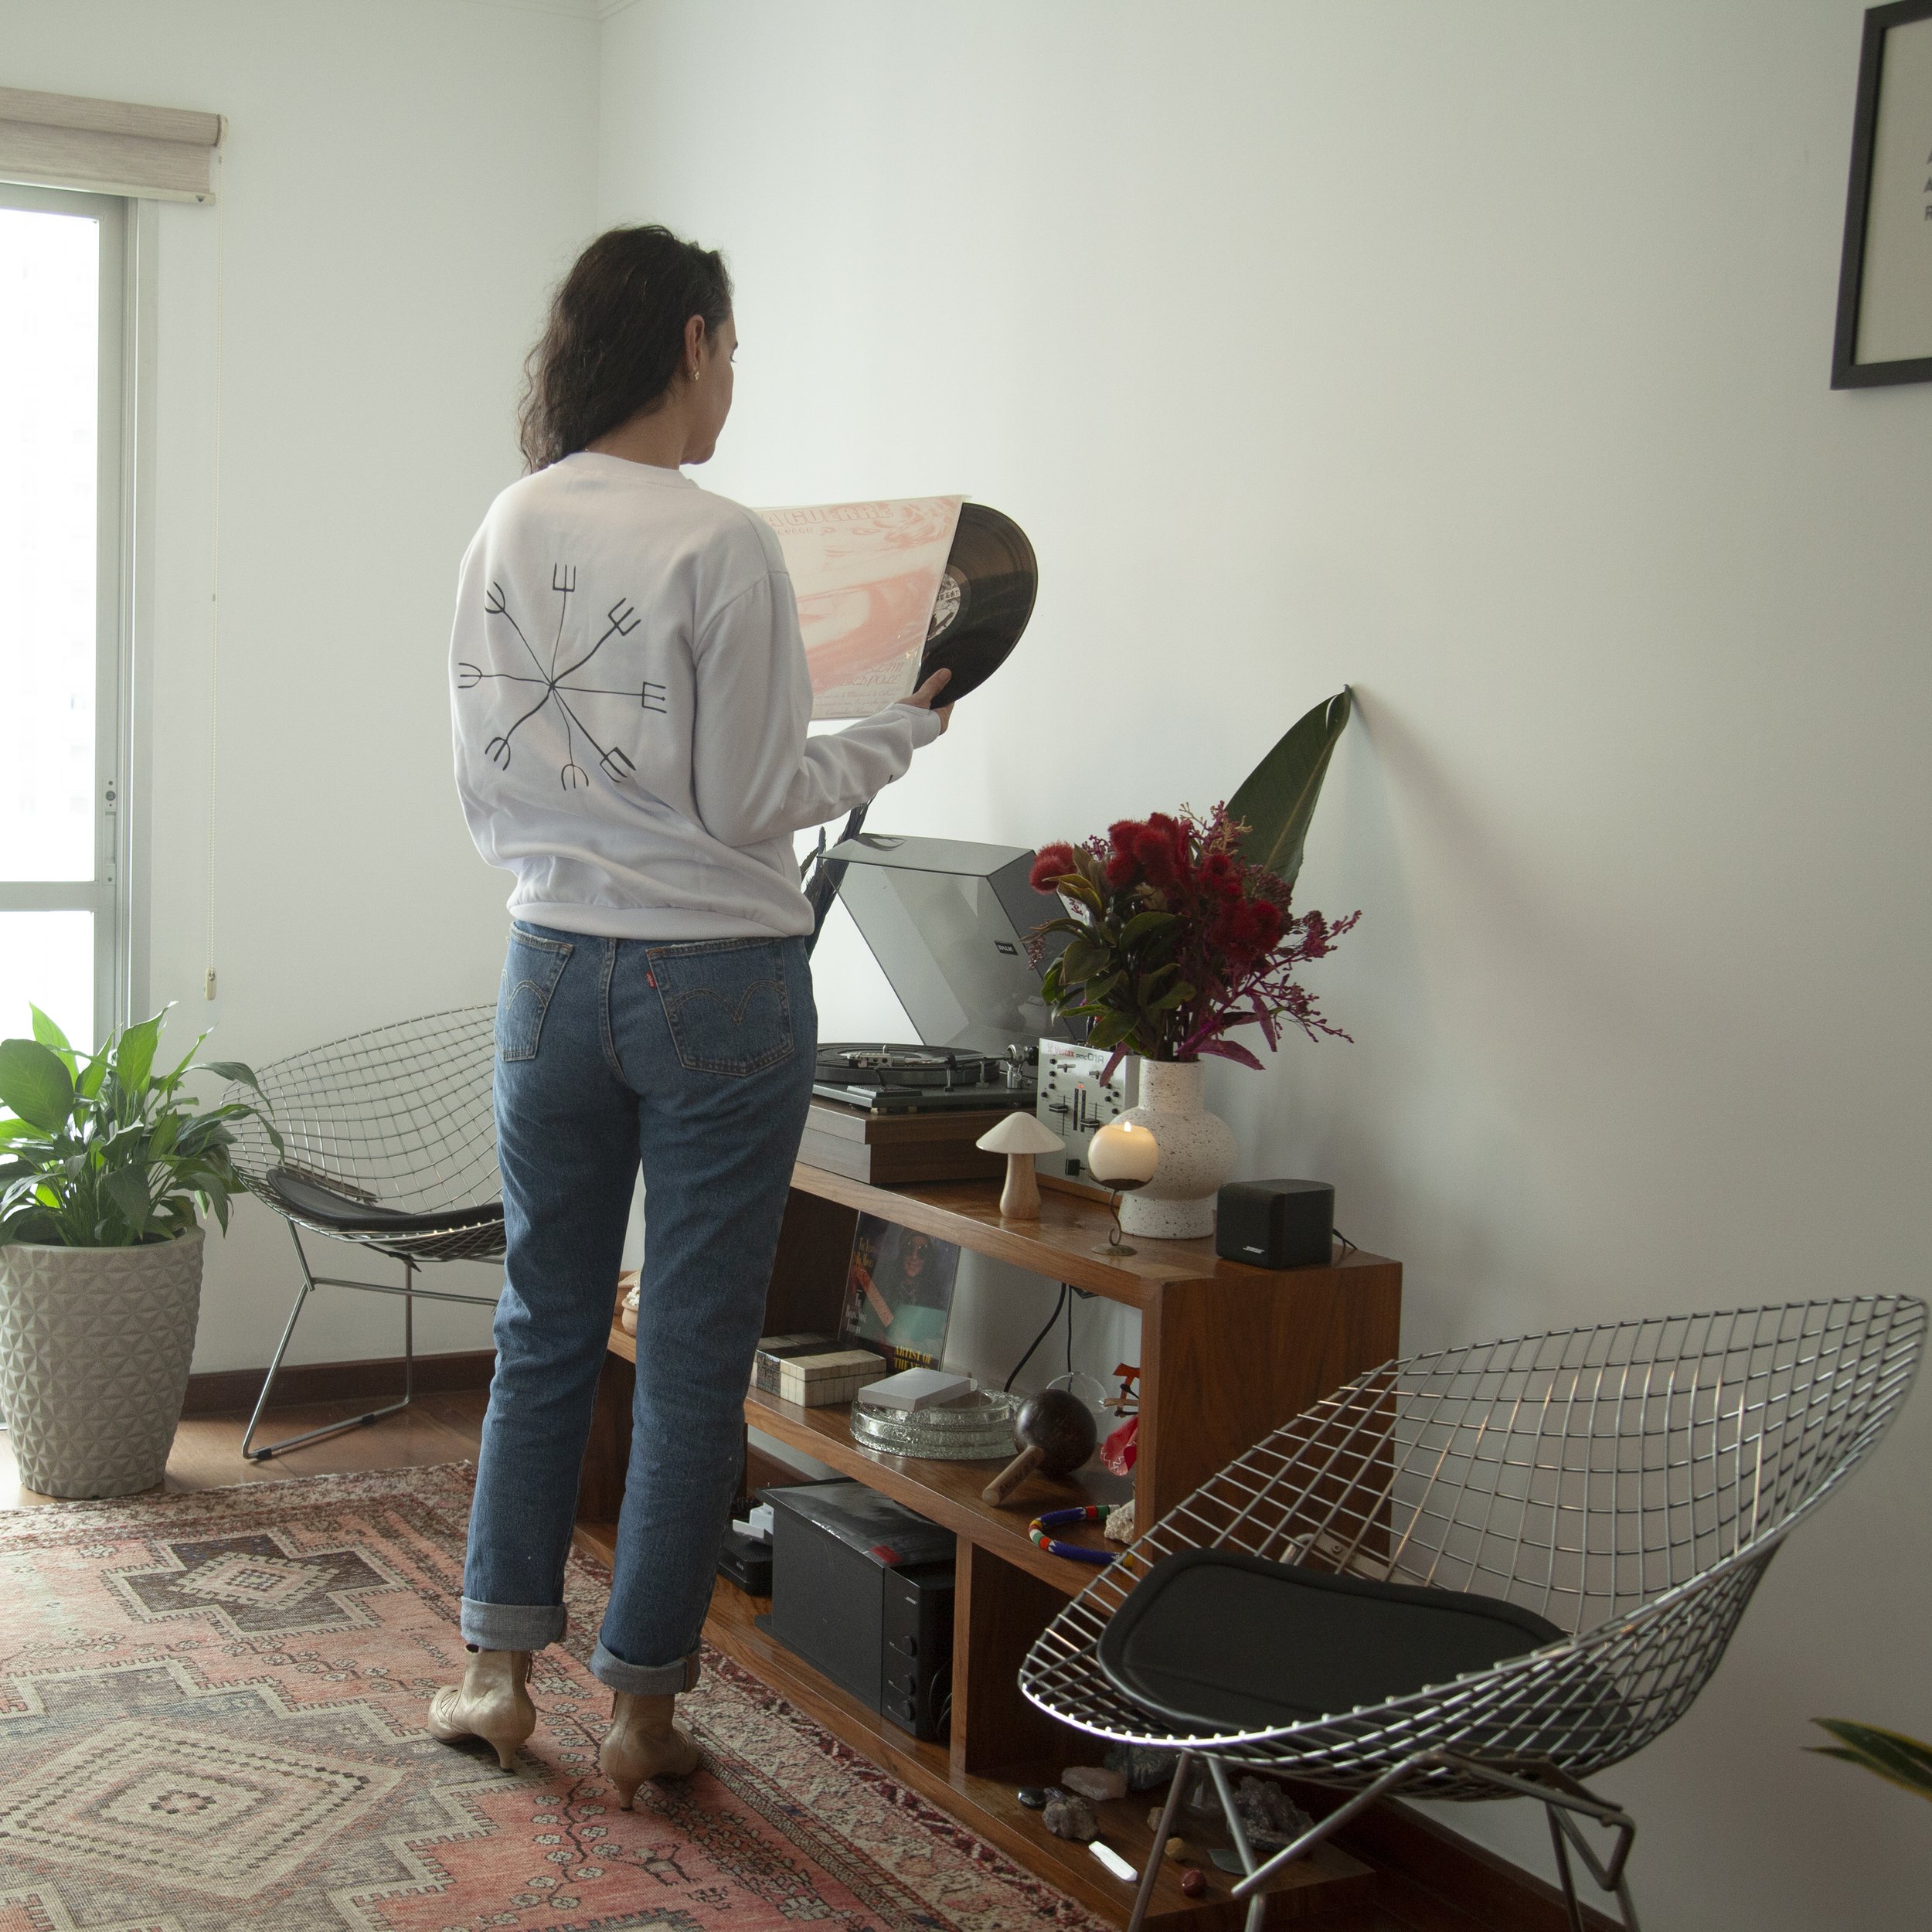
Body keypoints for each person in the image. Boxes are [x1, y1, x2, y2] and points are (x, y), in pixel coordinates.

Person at [429, 224, 951, 1804]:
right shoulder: (721, 542)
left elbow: (484, 780)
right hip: (714, 983)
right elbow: (747, 799)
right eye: (735, 349)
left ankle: (491, 1670)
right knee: (692, 1352)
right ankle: (642, 1711)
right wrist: (896, 733)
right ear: (697, 342)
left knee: (543, 1325)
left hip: (546, 966)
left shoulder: (508, 521)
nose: (735, 379)